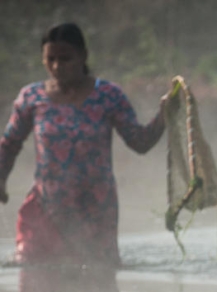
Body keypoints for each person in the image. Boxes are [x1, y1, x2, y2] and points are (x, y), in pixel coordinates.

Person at [0, 22, 167, 266]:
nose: (57, 66)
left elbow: (139, 142)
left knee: (97, 279)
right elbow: (10, 143)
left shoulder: (108, 96)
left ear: (83, 56)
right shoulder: (32, 98)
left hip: (95, 210)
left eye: (65, 58)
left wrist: (164, 115)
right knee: (33, 281)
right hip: (46, 208)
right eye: (50, 59)